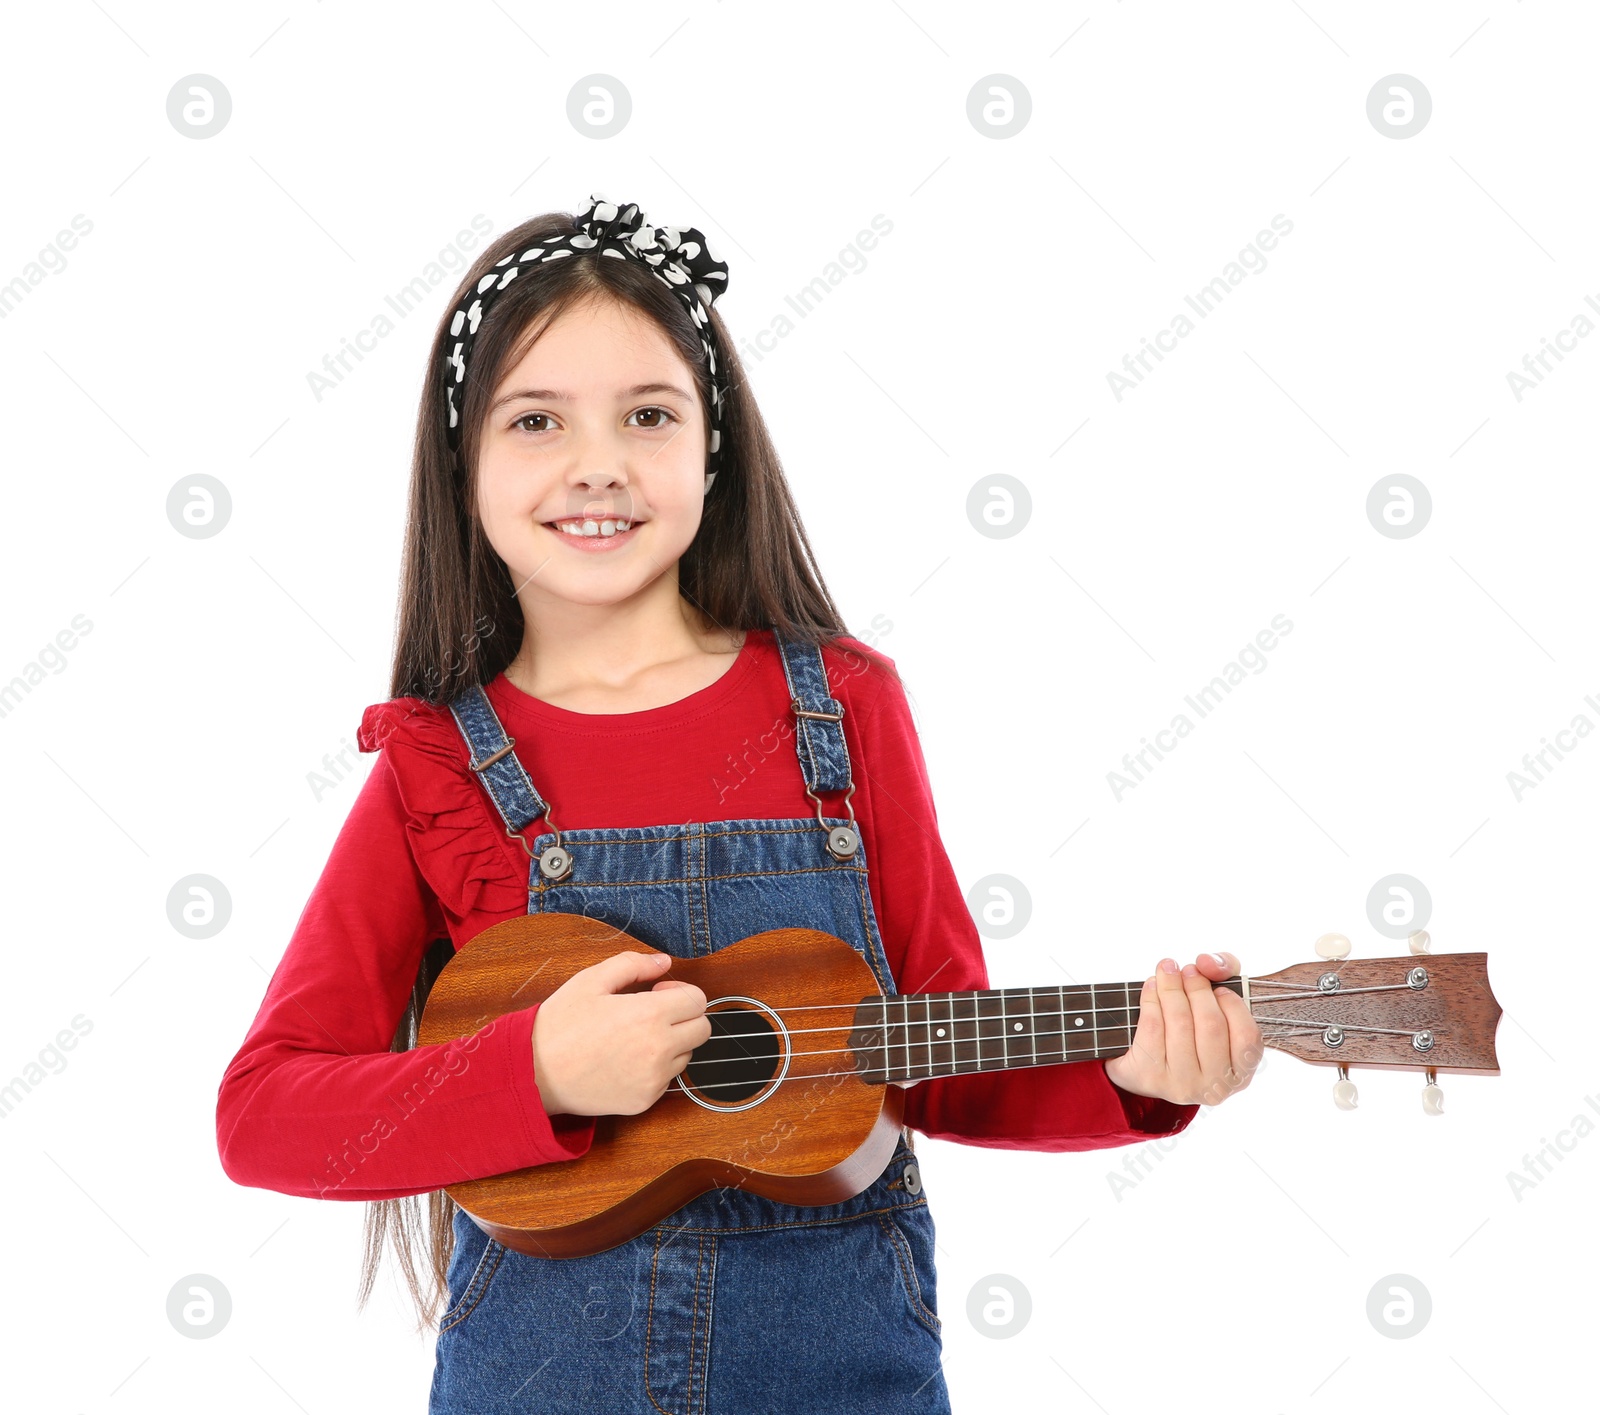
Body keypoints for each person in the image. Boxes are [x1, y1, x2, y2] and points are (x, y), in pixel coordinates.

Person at [214, 195, 1263, 1413]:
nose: (596, 462)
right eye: (536, 419)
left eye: (648, 416)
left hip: (841, 1371)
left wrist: (1140, 1071)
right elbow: (265, 1110)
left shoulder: (842, 705)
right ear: (465, 463)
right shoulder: (438, 766)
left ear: (712, 449)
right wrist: (533, 1072)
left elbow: (931, 1050)